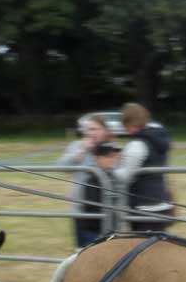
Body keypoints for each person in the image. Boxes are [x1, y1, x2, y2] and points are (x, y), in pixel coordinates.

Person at [112, 102, 174, 233]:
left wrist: (110, 167)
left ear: (130, 124)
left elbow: (124, 177)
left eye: (125, 126)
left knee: (144, 251)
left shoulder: (136, 145)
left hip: (144, 208)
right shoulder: (159, 138)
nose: (124, 130)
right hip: (162, 203)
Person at [58, 114, 117, 247]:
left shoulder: (112, 148)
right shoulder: (77, 146)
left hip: (107, 210)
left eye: (96, 129)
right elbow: (62, 167)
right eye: (89, 129)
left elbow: (118, 173)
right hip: (81, 210)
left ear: (105, 130)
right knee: (82, 251)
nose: (92, 133)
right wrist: (80, 153)